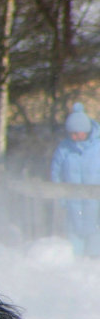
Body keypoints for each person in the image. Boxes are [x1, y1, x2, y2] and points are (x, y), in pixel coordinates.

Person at [50, 103, 100, 257]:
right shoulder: (64, 148)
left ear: (85, 131)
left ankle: (94, 263)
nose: (73, 137)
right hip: (72, 201)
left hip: (96, 202)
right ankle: (75, 263)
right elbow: (55, 171)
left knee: (95, 230)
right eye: (71, 133)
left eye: (76, 133)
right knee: (74, 231)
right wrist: (61, 197)